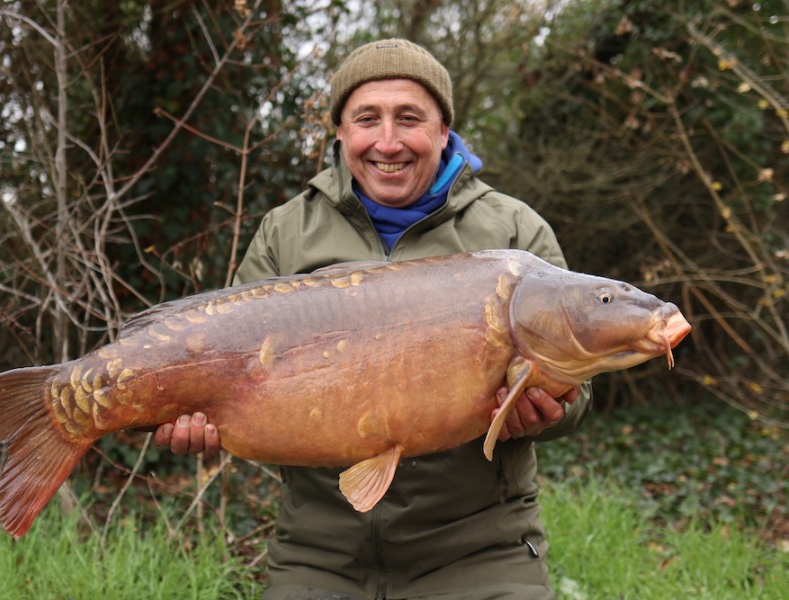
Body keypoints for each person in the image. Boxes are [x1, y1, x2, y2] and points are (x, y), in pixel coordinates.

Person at [154, 38, 592, 600]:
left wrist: (549, 412)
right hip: (319, 554)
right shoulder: (286, 233)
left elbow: (578, 401)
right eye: (367, 119)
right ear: (340, 132)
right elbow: (227, 370)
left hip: (482, 550)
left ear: (443, 130)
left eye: (409, 118)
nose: (388, 142)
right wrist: (197, 420)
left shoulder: (515, 237)